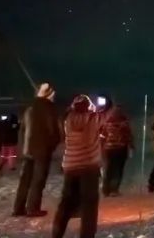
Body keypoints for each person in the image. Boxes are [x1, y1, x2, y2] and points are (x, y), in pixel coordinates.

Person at [52, 95, 103, 238]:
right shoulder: (93, 118)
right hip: (89, 166)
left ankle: (56, 234)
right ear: (88, 106)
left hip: (70, 166)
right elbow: (103, 117)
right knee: (89, 206)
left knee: (65, 203)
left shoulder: (68, 120)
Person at [13, 83, 62, 217]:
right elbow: (53, 129)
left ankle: (18, 208)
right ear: (49, 94)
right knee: (38, 179)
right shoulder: (48, 108)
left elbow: (22, 129)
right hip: (42, 149)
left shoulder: (30, 107)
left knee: (25, 179)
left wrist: (23, 146)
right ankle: (33, 208)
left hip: (28, 149)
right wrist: (52, 144)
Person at [100, 102, 134, 197]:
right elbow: (128, 136)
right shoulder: (124, 122)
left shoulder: (107, 122)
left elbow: (102, 136)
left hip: (109, 149)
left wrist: (102, 146)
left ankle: (105, 190)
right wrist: (131, 146)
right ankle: (114, 190)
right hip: (120, 148)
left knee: (109, 169)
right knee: (118, 169)